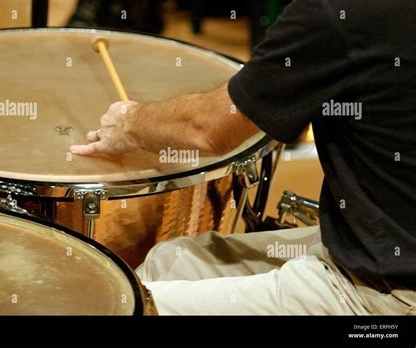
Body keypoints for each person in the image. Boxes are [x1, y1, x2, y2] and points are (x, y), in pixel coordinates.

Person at [70, 0, 416, 315]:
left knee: (123, 303)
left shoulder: (338, 13)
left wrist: (130, 122)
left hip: (384, 293)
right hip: (382, 251)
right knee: (169, 261)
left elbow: (208, 129)